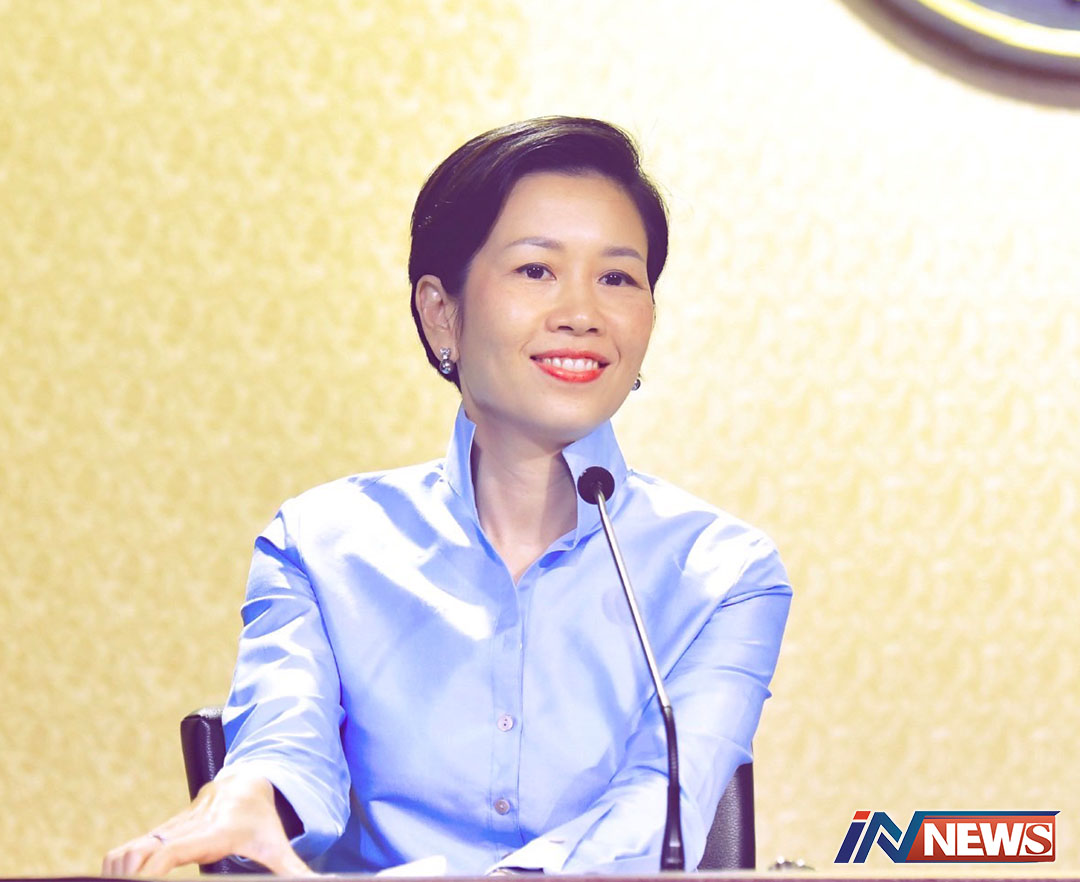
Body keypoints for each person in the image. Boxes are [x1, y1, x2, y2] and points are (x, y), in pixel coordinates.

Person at [103, 116, 792, 877]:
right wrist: (249, 795)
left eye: (618, 279)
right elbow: (286, 742)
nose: (582, 313)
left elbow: (653, 813)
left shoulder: (725, 573)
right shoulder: (321, 545)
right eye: (536, 270)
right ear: (441, 314)